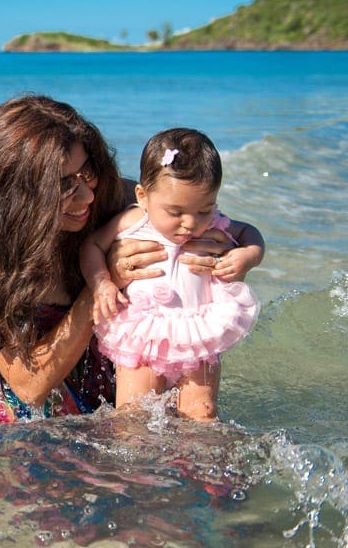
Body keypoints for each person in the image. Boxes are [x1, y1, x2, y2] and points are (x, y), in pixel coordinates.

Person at [0, 95, 265, 426]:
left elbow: (198, 222)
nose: (86, 194)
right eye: (64, 185)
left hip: (119, 404)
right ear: (19, 195)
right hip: (26, 423)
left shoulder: (123, 200)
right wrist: (104, 281)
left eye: (87, 172)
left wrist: (222, 257)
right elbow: (29, 387)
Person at [79, 128, 258, 421]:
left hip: (198, 333)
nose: (190, 223)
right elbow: (92, 246)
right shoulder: (133, 220)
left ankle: (198, 465)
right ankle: (133, 466)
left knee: (202, 413)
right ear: (143, 196)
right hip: (143, 334)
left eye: (204, 210)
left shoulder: (216, 223)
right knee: (133, 415)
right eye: (175, 212)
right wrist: (101, 283)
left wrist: (247, 256)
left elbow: (250, 233)